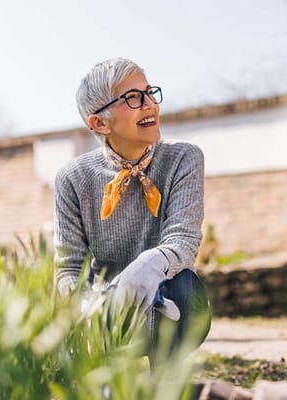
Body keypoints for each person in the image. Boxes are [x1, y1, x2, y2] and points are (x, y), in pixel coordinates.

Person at [53, 57, 211, 358]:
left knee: (184, 286)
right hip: (105, 315)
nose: (150, 104)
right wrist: (88, 306)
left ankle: (166, 385)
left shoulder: (183, 158)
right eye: (133, 98)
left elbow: (183, 240)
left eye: (150, 93)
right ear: (99, 122)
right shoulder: (72, 179)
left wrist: (147, 268)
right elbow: (69, 267)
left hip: (168, 304)